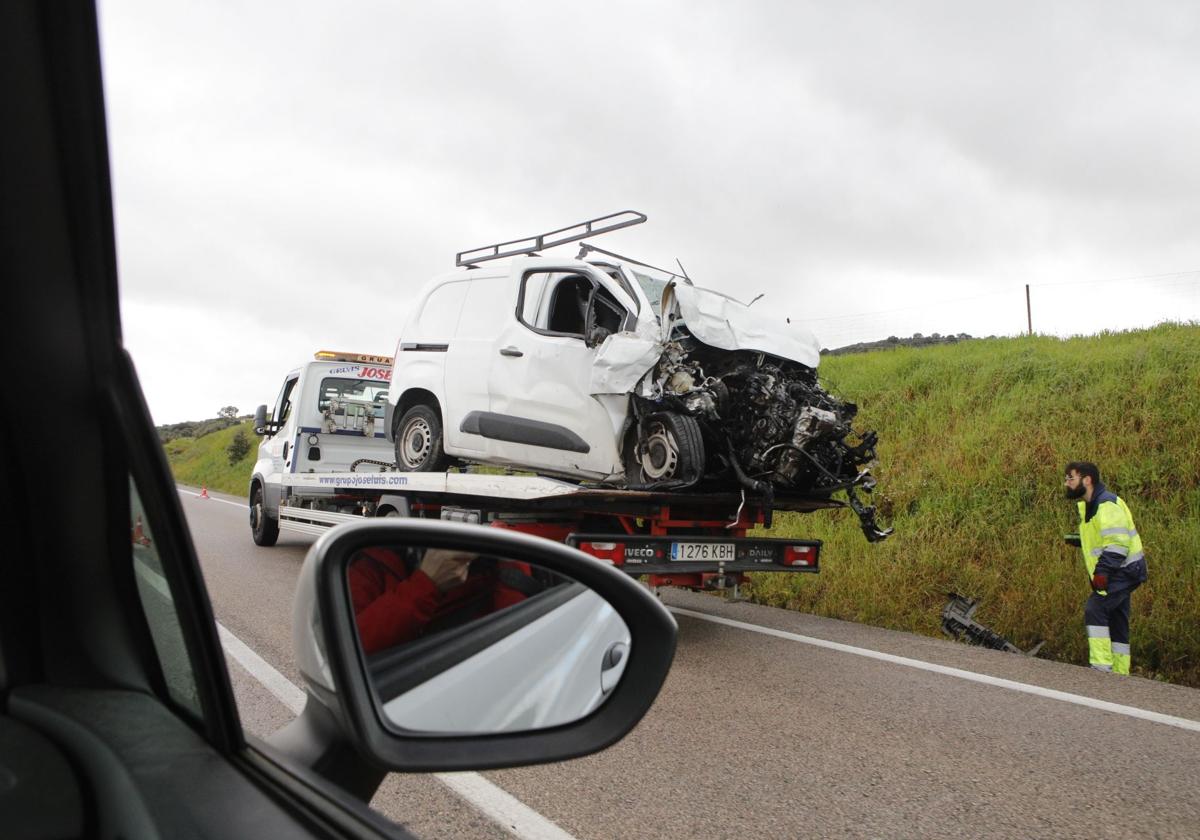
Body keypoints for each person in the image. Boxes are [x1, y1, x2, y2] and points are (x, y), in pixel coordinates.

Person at [348, 545, 535, 654]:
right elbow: (349, 648)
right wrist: (426, 584)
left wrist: (510, 563)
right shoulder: (371, 567)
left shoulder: (495, 570)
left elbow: (515, 647)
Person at [1063, 461, 1148, 674]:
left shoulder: (1106, 504)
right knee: (1118, 619)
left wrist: (1102, 573)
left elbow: (1118, 545)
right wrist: (1080, 541)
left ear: (1087, 480)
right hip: (1121, 570)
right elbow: (1104, 538)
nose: (1066, 483)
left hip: (1124, 570)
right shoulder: (1090, 506)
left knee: (1096, 608)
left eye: (1070, 478)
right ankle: (1120, 675)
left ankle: (1101, 669)